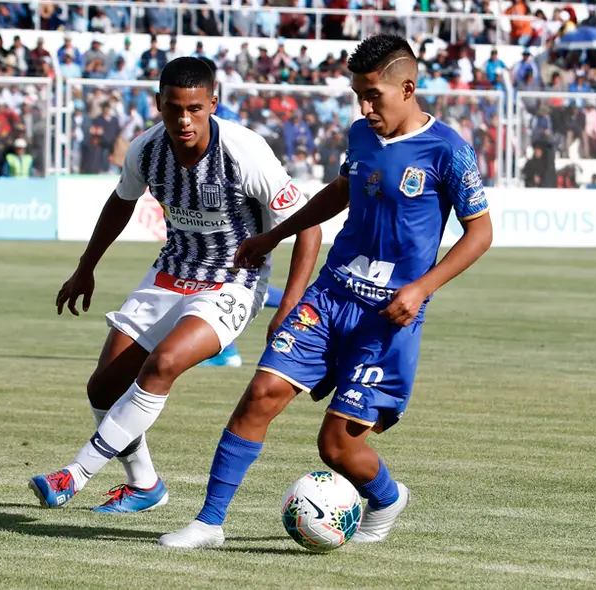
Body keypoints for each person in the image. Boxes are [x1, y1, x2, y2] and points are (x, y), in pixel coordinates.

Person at [158, 34, 494, 549]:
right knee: (260, 395)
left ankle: (386, 496)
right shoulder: (361, 135)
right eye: (357, 94)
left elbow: (480, 233)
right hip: (331, 296)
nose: (364, 106)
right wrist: (274, 234)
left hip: (388, 315)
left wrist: (422, 288)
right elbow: (341, 191)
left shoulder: (449, 150)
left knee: (335, 446)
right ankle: (209, 523)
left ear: (408, 87)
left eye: (372, 95)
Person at [28, 57, 321, 513]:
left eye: (195, 109)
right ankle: (145, 485)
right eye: (173, 109)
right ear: (158, 105)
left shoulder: (245, 151)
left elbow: (308, 227)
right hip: (171, 270)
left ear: (213, 105)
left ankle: (75, 474)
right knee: (102, 389)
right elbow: (121, 201)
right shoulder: (145, 150)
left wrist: (290, 304)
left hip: (233, 280)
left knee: (162, 364)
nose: (183, 120)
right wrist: (86, 266)